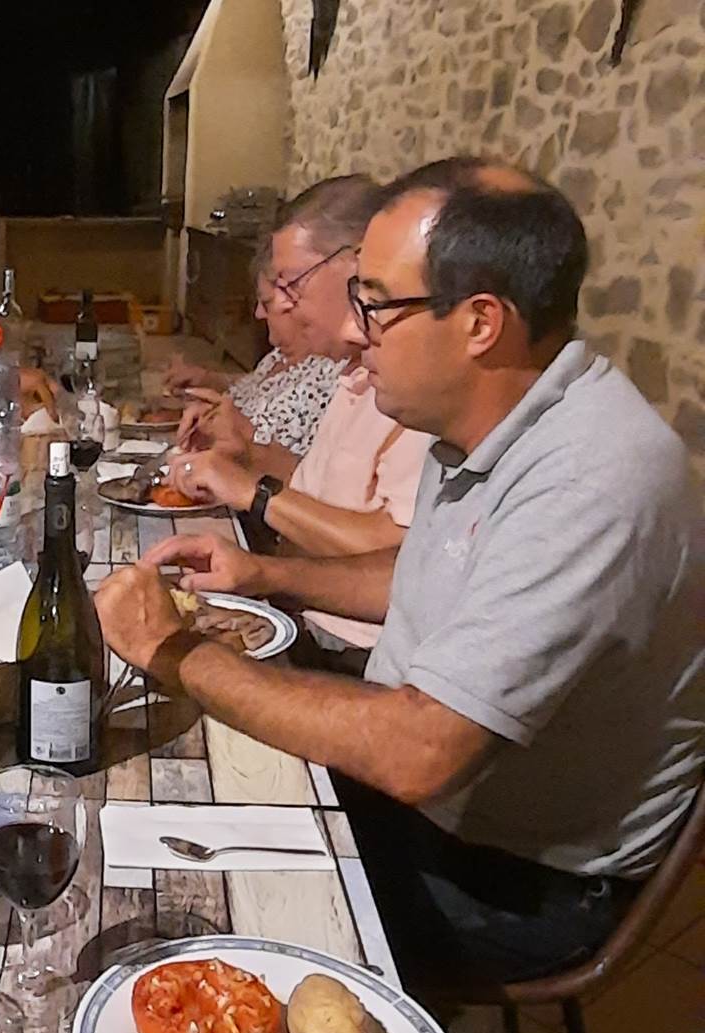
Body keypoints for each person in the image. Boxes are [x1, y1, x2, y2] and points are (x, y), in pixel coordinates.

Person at [95, 160, 703, 988]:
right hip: (434, 806)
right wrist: (264, 576)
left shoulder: (587, 481)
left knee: (164, 895)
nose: (355, 333)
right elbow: (420, 576)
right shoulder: (495, 422)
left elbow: (420, 752)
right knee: (154, 796)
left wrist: (175, 653)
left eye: (376, 305)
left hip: (513, 876)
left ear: (480, 322)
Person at [170, 176, 432, 670]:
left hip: (348, 649)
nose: (279, 304)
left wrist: (255, 493)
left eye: (290, 283)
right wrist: (245, 451)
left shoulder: (415, 386)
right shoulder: (356, 368)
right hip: (299, 609)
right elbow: (327, 489)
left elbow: (399, 555)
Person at [170, 239, 341, 470]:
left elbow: (311, 480)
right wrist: (211, 381)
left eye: (266, 302)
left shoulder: (333, 375)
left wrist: (244, 438)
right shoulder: (279, 356)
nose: (259, 313)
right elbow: (255, 385)